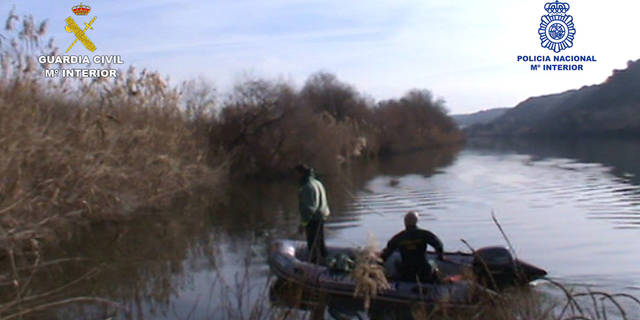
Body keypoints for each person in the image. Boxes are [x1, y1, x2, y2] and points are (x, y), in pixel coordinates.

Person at [380, 211, 444, 282]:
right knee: (433, 263)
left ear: (405, 222)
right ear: (416, 221)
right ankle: (435, 280)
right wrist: (440, 256)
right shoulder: (425, 234)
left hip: (406, 272)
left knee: (396, 262)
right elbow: (439, 245)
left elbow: (385, 255)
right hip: (423, 271)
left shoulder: (398, 237)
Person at [295, 164, 330, 264]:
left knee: (313, 244)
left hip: (313, 219)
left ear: (300, 173)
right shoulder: (317, 182)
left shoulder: (307, 187)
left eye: (296, 174)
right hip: (322, 216)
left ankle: (314, 265)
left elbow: (309, 209)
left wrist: (303, 224)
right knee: (320, 242)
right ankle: (325, 261)